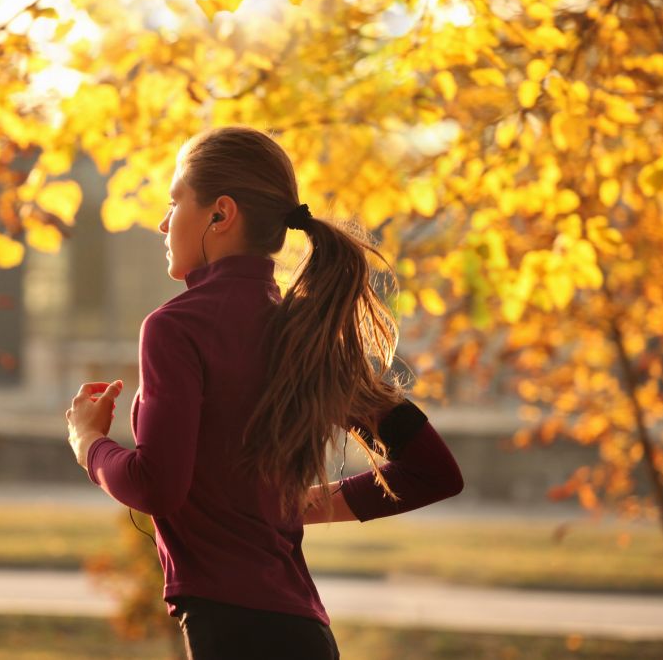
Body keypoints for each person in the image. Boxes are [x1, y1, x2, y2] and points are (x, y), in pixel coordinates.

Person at [64, 125, 464, 660]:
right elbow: (432, 471)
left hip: (233, 634)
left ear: (220, 214)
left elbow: (156, 487)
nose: (163, 222)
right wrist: (294, 507)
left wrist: (88, 443)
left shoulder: (175, 328)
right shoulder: (301, 334)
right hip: (303, 632)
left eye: (175, 201)